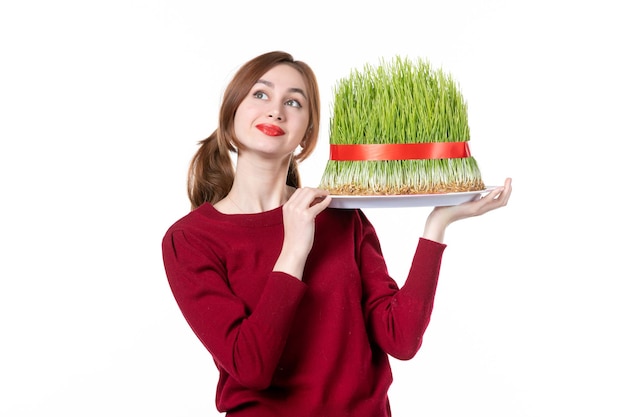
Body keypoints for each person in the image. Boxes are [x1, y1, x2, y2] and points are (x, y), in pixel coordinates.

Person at [161, 51, 512, 417]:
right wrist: (294, 249)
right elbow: (251, 367)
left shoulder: (341, 216)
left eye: (293, 101)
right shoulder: (190, 240)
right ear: (230, 114)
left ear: (307, 134)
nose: (276, 110)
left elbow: (401, 339)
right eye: (260, 94)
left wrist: (437, 226)